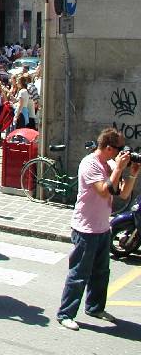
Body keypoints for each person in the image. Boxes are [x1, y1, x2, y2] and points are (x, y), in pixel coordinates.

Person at [57, 128, 139, 331]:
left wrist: (132, 174)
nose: (122, 153)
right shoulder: (90, 164)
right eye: (120, 149)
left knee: (101, 273)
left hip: (103, 227)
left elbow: (123, 194)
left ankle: (95, 308)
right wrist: (118, 168)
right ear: (109, 148)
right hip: (85, 228)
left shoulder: (110, 164)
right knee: (79, 274)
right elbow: (103, 191)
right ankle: (65, 314)